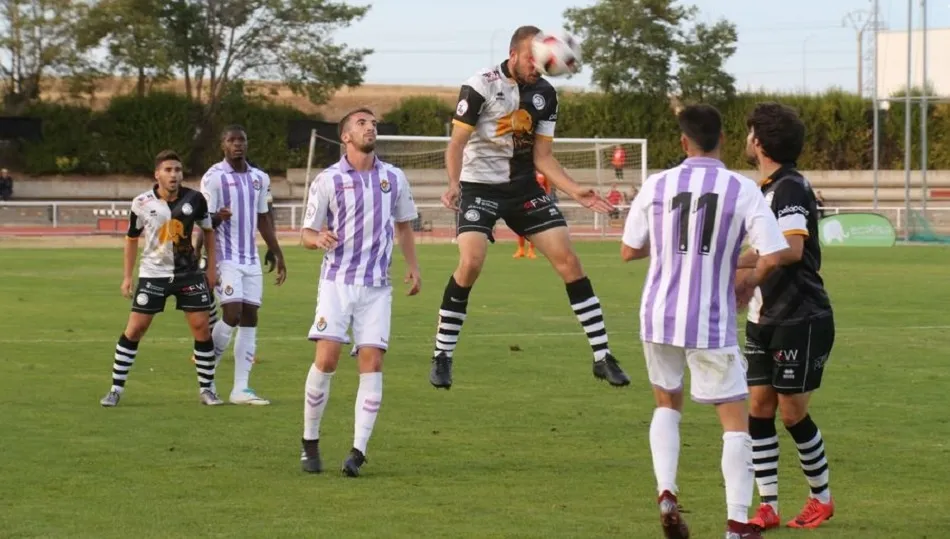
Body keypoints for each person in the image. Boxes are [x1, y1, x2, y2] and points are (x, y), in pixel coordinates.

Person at [621, 104, 789, 539]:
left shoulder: (657, 184)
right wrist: (749, 281)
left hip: (658, 315)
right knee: (734, 422)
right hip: (710, 319)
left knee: (666, 403)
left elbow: (629, 249)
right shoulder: (741, 188)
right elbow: (773, 252)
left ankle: (666, 492)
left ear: (683, 142)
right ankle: (736, 524)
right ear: (724, 140)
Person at [430, 25, 628, 389]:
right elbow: (456, 143)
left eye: (541, 63)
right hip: (478, 187)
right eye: (532, 61)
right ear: (515, 54)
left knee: (569, 260)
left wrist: (574, 190)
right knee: (471, 261)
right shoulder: (480, 85)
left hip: (522, 187)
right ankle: (443, 354)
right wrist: (454, 184)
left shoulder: (546, 94)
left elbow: (543, 156)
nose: (537, 68)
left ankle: (603, 356)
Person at [298, 108, 421, 477]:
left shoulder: (393, 178)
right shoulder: (328, 180)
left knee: (373, 362)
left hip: (377, 287)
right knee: (328, 359)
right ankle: (310, 440)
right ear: (346, 137)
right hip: (337, 282)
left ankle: (357, 451)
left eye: (373, 123)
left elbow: (403, 225)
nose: (370, 127)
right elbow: (305, 233)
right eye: (362, 123)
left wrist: (413, 266)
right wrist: (317, 237)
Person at [739, 102, 836, 531]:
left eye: (749, 133)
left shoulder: (790, 187)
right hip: (765, 315)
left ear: (759, 141)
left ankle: (822, 498)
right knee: (758, 409)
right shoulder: (765, 189)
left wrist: (738, 264)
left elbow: (793, 249)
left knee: (792, 413)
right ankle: (768, 506)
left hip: (801, 316)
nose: (746, 139)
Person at [100, 150, 222, 407]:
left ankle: (207, 390)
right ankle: (115, 389)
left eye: (177, 170)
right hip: (153, 274)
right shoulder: (141, 203)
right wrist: (126, 277)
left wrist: (212, 270)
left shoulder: (195, 199)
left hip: (188, 273)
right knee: (135, 330)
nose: (174, 174)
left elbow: (209, 232)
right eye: (168, 170)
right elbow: (131, 239)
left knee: (202, 328)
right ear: (157, 174)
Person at [200, 126, 287, 406]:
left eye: (242, 140)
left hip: (250, 259)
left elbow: (263, 218)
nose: (237, 144)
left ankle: (241, 389)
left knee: (250, 317)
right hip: (225, 258)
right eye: (231, 140)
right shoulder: (213, 178)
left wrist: (277, 252)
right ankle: (207, 367)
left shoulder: (259, 179)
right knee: (232, 313)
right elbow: (204, 222)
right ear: (222, 145)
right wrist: (206, 263)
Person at [513, 171, 551, 259]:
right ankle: (520, 249)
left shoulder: (542, 174)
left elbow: (547, 187)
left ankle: (531, 250)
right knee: (521, 227)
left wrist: (547, 199)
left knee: (534, 227)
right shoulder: (523, 173)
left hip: (538, 203)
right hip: (524, 202)